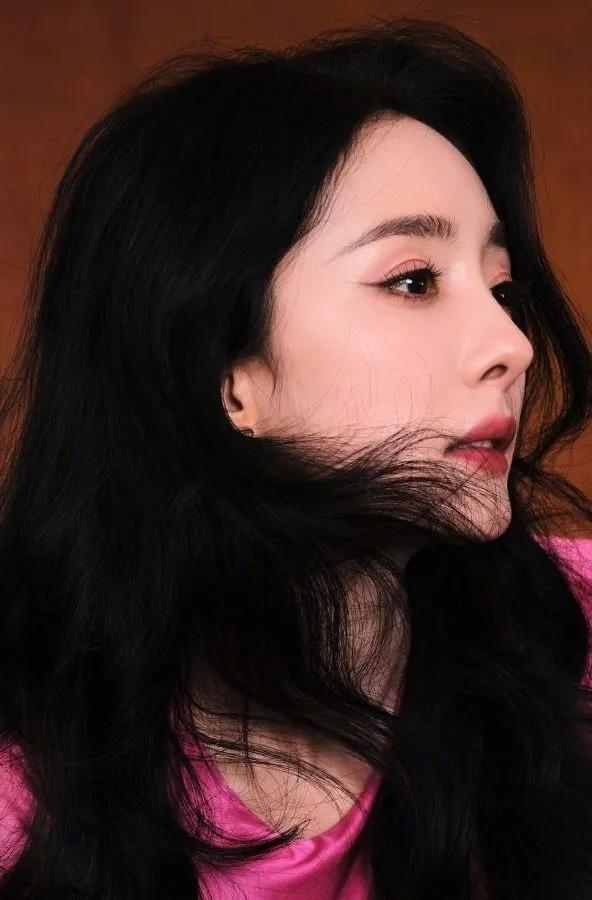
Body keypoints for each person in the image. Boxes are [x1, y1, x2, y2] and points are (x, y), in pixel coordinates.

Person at [0, 16, 590, 900]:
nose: (513, 345)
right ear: (227, 375)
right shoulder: (32, 794)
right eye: (414, 281)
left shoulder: (568, 630)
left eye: (502, 288)